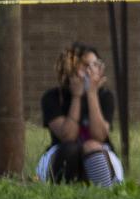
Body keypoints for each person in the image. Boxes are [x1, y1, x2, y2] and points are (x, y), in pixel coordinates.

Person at [36, 44, 121, 186]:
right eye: (86, 65)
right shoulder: (53, 97)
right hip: (62, 154)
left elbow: (100, 136)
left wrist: (92, 93)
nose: (91, 71)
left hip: (98, 153)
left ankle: (106, 192)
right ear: (72, 69)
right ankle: (63, 192)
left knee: (92, 146)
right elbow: (68, 136)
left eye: (96, 65)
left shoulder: (105, 96)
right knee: (71, 147)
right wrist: (76, 96)